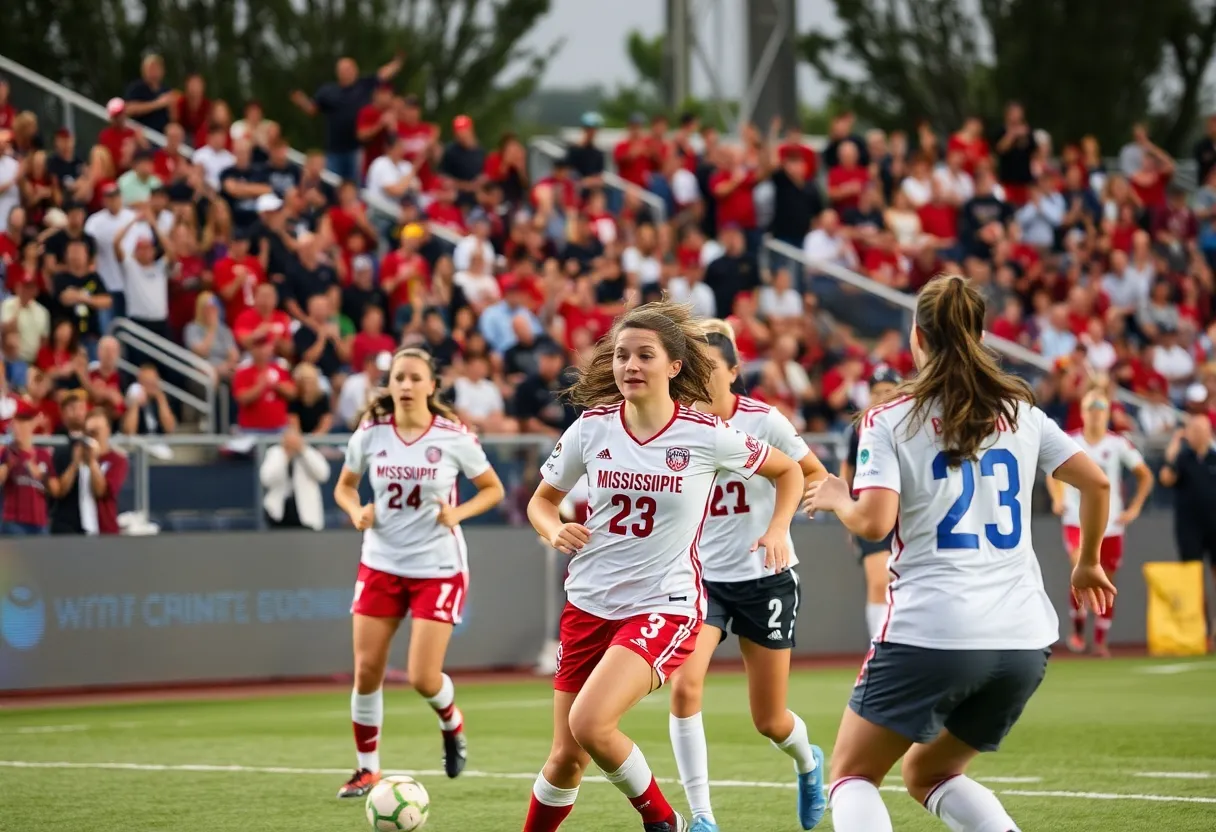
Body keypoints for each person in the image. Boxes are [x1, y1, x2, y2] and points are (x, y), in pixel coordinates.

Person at [802, 275, 1114, 832]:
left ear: (916, 337)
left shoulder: (891, 417)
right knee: (929, 773)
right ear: (978, 333)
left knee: (851, 775)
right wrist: (1087, 560)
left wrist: (834, 497)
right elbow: (1096, 484)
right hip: (1023, 641)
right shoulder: (1021, 410)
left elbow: (874, 520)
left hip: (933, 630)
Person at [522, 301, 805, 832]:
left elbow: (789, 471)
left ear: (674, 366)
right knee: (566, 757)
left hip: (663, 603)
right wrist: (553, 526)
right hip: (587, 604)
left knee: (590, 722)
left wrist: (777, 528)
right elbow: (542, 500)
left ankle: (664, 820)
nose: (630, 365)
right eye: (622, 355)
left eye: (644, 355)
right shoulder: (591, 429)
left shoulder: (705, 433)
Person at [666, 318, 829, 832]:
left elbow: (814, 473)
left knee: (770, 720)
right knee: (685, 687)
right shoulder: (676, 425)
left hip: (765, 577)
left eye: (710, 367)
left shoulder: (766, 422)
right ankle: (702, 816)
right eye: (692, 368)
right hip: (701, 580)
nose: (700, 377)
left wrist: (782, 524)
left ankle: (808, 763)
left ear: (734, 372)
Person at [332, 347, 506, 798]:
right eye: (398, 378)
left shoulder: (453, 436)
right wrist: (356, 511)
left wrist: (459, 512)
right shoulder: (370, 434)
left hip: (437, 566)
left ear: (432, 386)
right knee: (366, 669)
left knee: (422, 677)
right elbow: (345, 487)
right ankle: (366, 769)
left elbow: (492, 489)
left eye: (414, 378)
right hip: (381, 561)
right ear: (389, 386)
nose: (405, 386)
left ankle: (452, 723)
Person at [1047, 390, 1153, 657]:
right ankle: (1079, 626)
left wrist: (1134, 508)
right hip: (1075, 519)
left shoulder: (1117, 445)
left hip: (1112, 524)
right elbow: (1052, 472)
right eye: (1090, 408)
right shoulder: (1070, 441)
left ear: (1107, 413)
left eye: (1100, 409)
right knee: (1080, 568)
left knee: (1107, 580)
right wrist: (1057, 498)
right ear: (1082, 412)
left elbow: (1144, 475)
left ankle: (1100, 639)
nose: (1095, 414)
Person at [839, 366, 903, 640]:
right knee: (878, 580)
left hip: (905, 513)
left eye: (888, 391)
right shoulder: (860, 427)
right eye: (876, 392)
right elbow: (847, 470)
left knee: (902, 581)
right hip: (870, 507)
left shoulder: (911, 423)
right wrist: (847, 510)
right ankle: (880, 645)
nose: (882, 397)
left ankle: (901, 640)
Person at [1159, 413, 1216, 652]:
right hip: (1189, 528)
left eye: (1201, 430)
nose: (1197, 434)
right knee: (1193, 579)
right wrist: (1172, 453)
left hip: (1214, 525)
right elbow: (1166, 479)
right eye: (1193, 430)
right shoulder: (1182, 458)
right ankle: (1201, 630)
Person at [0, 402, 59, 534]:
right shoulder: (7, 452)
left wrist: (42, 476)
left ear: (31, 425)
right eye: (17, 423)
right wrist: (9, 464)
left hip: (40, 521)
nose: (19, 428)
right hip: (13, 521)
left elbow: (56, 489)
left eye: (24, 423)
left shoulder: (43, 454)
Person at [260, 426, 332, 530]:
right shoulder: (275, 453)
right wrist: (286, 456)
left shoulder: (310, 452)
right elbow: (266, 479)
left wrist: (303, 450)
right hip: (278, 512)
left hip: (306, 513)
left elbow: (323, 474)